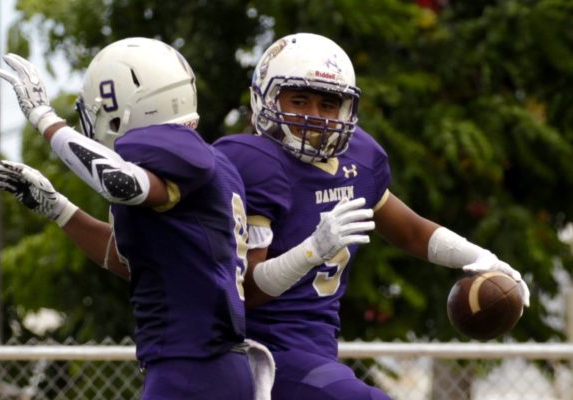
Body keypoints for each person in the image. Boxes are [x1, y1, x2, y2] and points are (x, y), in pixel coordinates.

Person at [212, 32, 531, 400]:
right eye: (299, 101)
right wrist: (311, 251)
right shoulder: (254, 163)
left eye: (328, 104)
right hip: (262, 353)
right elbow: (248, 293)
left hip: (318, 351)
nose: (315, 116)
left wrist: (480, 258)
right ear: (265, 98)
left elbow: (410, 231)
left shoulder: (359, 159)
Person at [0, 37, 272, 400]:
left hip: (191, 368)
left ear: (123, 109)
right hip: (204, 367)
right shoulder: (211, 168)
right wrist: (58, 208)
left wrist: (44, 118)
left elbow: (119, 182)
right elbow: (131, 261)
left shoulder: (184, 154)